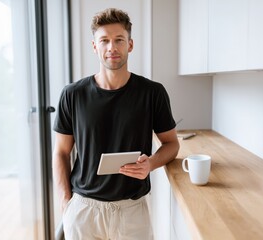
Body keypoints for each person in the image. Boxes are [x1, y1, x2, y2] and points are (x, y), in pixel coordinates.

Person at [52, 8, 180, 240]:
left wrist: (150, 164)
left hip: (132, 211)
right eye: (104, 41)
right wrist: (65, 203)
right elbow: (61, 152)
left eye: (119, 40)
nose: (112, 47)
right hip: (84, 210)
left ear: (130, 45)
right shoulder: (72, 94)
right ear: (95, 46)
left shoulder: (153, 93)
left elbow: (171, 144)